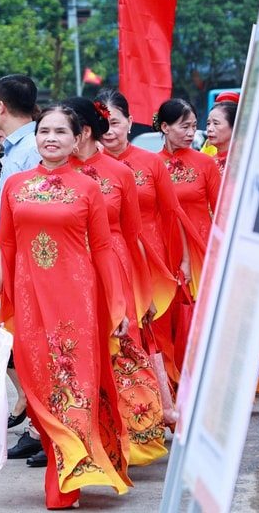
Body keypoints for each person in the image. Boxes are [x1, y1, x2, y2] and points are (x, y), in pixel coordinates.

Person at [0, 104, 131, 510]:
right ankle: (66, 463)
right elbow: (6, 247)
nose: (50, 137)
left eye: (60, 132)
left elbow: (102, 250)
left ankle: (65, 479)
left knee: (75, 384)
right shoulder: (15, 185)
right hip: (28, 299)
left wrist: (118, 306)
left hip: (76, 299)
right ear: (36, 137)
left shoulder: (87, 188)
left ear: (76, 138)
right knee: (39, 387)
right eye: (44, 130)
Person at [65, 96, 169, 466]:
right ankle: (83, 442)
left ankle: (133, 441)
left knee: (121, 352)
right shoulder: (56, 175)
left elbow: (132, 235)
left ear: (85, 132)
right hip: (71, 271)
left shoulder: (120, 173)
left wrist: (142, 294)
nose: (55, 137)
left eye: (64, 129)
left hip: (115, 267)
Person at [95, 89, 203, 386]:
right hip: (110, 261)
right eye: (103, 122)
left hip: (154, 260)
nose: (109, 130)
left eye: (115, 122)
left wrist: (181, 261)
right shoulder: (86, 169)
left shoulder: (152, 163)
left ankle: (164, 405)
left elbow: (173, 213)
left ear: (130, 122)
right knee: (118, 334)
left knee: (156, 335)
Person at [0, 75, 42, 460]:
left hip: (24, 259)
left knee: (20, 343)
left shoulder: (32, 147)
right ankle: (30, 411)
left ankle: (36, 423)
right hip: (3, 254)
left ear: (0, 105)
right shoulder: (9, 149)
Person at [154, 98, 221, 377]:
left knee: (202, 318)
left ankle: (206, 377)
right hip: (166, 252)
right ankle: (176, 379)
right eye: (184, 126)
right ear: (165, 127)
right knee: (169, 319)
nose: (191, 132)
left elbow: (221, 212)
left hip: (203, 251)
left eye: (194, 126)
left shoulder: (206, 164)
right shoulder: (152, 164)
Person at [205, 97, 237, 177]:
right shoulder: (207, 162)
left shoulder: (244, 162)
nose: (210, 129)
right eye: (208, 123)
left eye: (216, 123)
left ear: (234, 126)